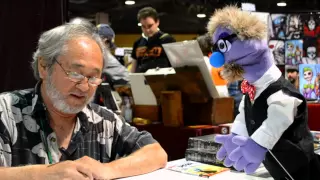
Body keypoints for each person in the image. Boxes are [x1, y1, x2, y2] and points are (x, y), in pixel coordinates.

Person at [0, 20, 167, 180]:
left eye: (93, 77)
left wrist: (107, 169)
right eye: (75, 73)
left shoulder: (105, 121)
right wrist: (43, 175)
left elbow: (156, 153)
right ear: (44, 67)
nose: (85, 87)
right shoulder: (6, 112)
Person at [208, 6, 320, 180]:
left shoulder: (282, 93)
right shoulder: (251, 89)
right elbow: (244, 114)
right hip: (274, 167)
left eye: (222, 46)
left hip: (300, 168)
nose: (217, 58)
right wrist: (236, 136)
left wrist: (257, 144)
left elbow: (277, 120)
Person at [130, 7, 176, 73]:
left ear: (157, 22)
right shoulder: (137, 43)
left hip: (161, 81)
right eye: (143, 26)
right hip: (141, 80)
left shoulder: (168, 40)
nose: (147, 30)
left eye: (150, 26)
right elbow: (133, 67)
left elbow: (175, 65)